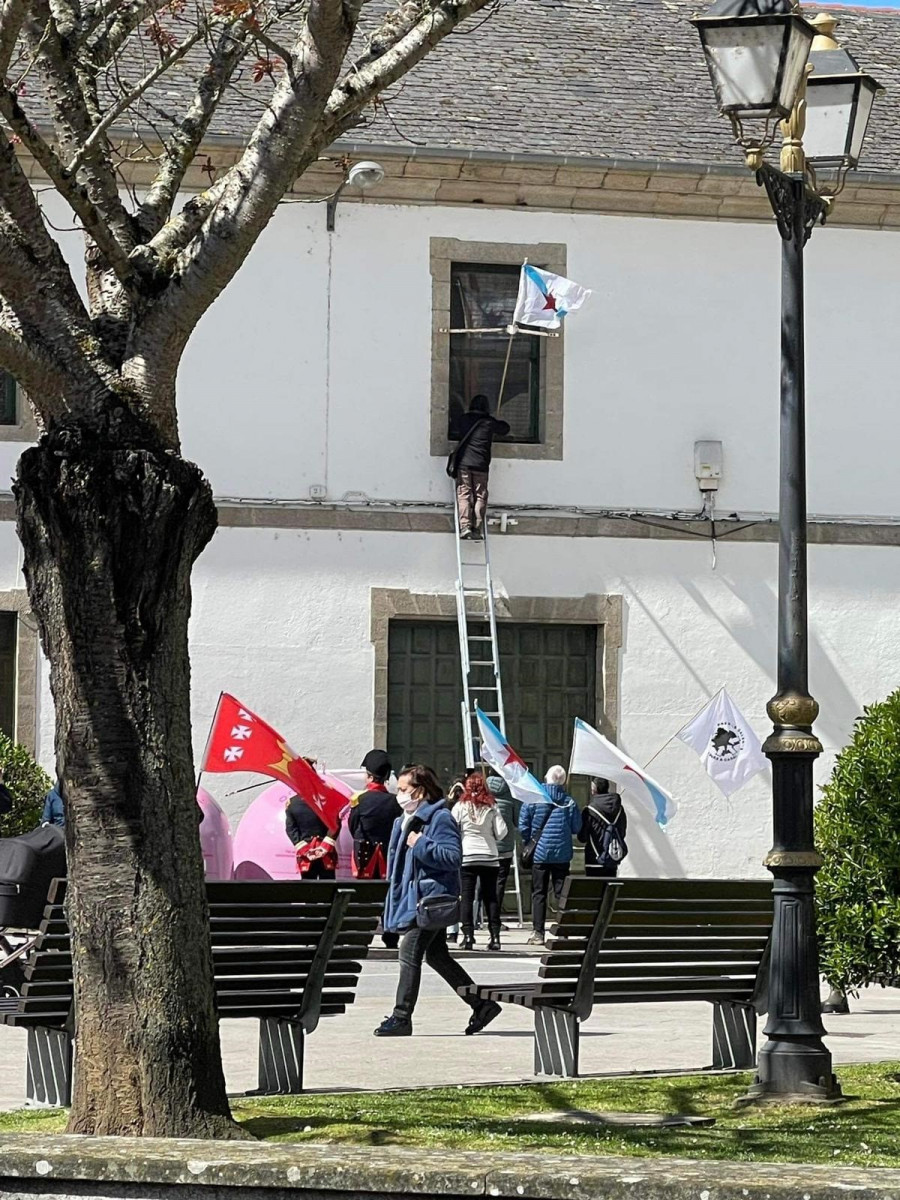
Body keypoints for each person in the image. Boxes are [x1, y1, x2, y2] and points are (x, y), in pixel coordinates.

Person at [374, 764, 501, 1038]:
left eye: (404, 790)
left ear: (420, 791)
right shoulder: (403, 820)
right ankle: (481, 1004)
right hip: (412, 899)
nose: (400, 794)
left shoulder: (439, 818)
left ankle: (401, 1017)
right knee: (437, 955)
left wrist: (421, 844)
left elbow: (453, 857)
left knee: (408, 953)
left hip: (429, 901)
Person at [519, 765, 581, 946]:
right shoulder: (569, 802)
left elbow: (523, 825)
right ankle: (563, 931)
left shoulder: (533, 798)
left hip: (540, 854)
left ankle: (538, 933)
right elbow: (577, 828)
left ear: (546, 778)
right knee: (562, 893)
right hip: (562, 854)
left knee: (539, 893)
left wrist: (529, 840)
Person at [451, 772, 508, 951]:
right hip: (489, 855)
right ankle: (495, 936)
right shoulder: (492, 806)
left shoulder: (460, 806)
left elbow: (452, 827)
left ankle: (468, 936)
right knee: (490, 897)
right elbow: (501, 832)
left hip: (468, 855)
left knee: (467, 897)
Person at [451, 394, 510, 541]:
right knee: (480, 495)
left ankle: (465, 527)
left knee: (464, 494)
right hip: (481, 465)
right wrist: (496, 418)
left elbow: (453, 427)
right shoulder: (489, 422)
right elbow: (505, 429)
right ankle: (477, 527)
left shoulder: (464, 419)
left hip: (464, 463)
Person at [285, 761, 341, 879]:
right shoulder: (328, 799)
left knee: (308, 892)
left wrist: (304, 849)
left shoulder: (292, 803)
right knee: (328, 891)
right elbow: (335, 824)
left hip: (306, 854)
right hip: (326, 853)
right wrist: (324, 846)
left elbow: (291, 829)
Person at [348, 750, 398, 880]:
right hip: (388, 852)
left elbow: (353, 827)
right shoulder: (395, 801)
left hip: (364, 854)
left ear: (370, 777)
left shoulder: (359, 799)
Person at [579, 777, 628, 877]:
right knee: (610, 890)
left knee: (594, 890)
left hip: (594, 858)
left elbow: (582, 837)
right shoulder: (619, 809)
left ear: (594, 789)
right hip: (612, 858)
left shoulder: (589, 810)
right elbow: (622, 832)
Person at [486, 774, 520, 915]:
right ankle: (495, 916)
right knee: (500, 883)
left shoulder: (482, 796)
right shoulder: (510, 796)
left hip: (486, 847)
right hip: (504, 847)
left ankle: (481, 916)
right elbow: (517, 821)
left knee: (484, 882)